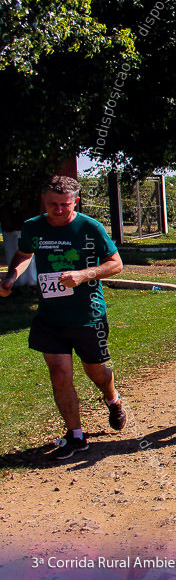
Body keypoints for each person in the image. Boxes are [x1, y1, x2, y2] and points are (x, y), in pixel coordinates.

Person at [0, 176, 127, 459]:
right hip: (50, 316)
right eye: (52, 204)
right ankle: (76, 436)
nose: (57, 210)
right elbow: (23, 254)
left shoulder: (89, 227)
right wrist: (11, 276)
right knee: (59, 374)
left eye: (64, 205)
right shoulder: (34, 226)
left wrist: (83, 275)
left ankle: (112, 398)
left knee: (96, 372)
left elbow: (116, 264)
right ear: (44, 201)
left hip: (87, 315)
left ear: (75, 202)